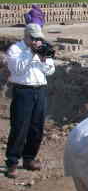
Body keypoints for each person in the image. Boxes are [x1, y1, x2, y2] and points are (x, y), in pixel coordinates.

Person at [4, 23, 55, 178]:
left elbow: (50, 70)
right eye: (33, 38)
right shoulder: (15, 49)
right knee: (19, 127)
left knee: (37, 128)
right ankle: (12, 163)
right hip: (23, 91)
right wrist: (30, 54)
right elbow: (17, 69)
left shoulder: (42, 48)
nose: (36, 41)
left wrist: (43, 59)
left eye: (38, 38)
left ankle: (29, 159)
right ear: (26, 36)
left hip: (40, 90)